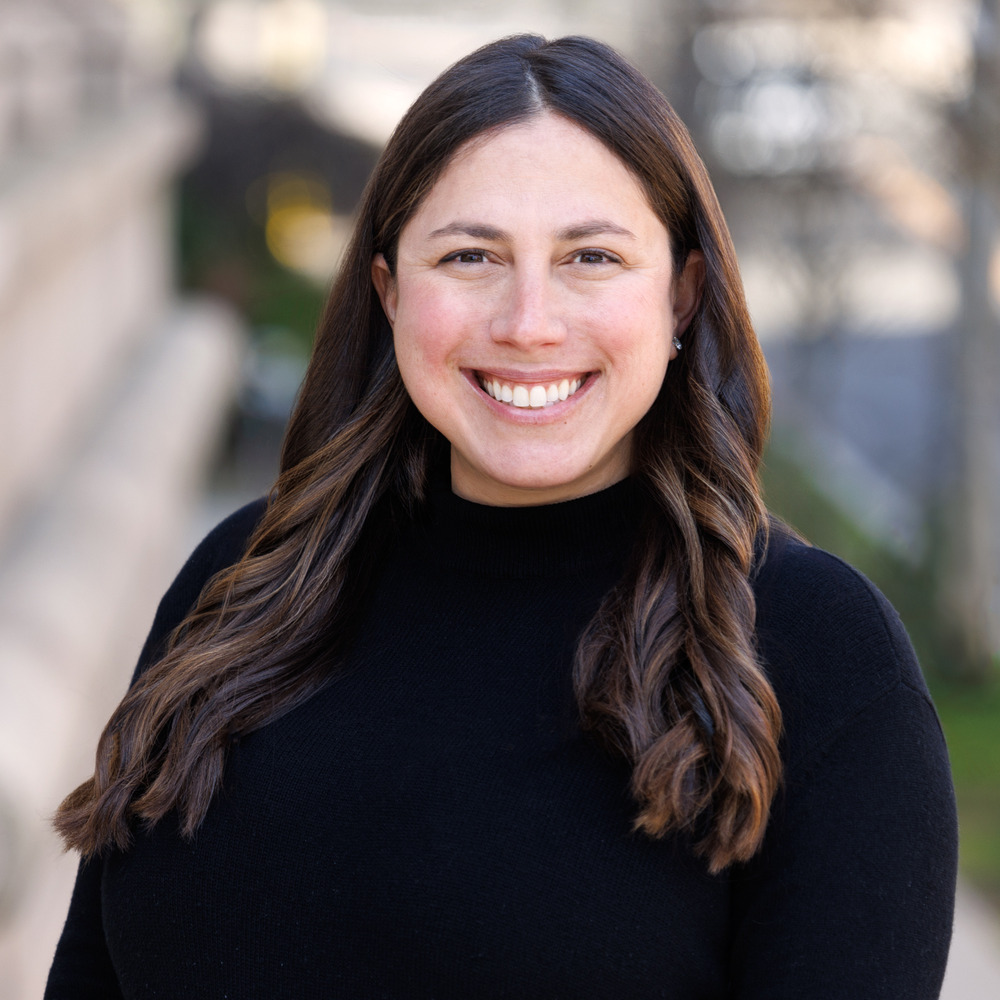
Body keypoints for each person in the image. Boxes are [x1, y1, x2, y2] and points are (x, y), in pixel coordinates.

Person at [46, 34, 957, 999]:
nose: (529, 321)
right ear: (389, 290)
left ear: (682, 294)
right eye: (471, 255)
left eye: (592, 256)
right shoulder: (242, 587)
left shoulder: (815, 655)